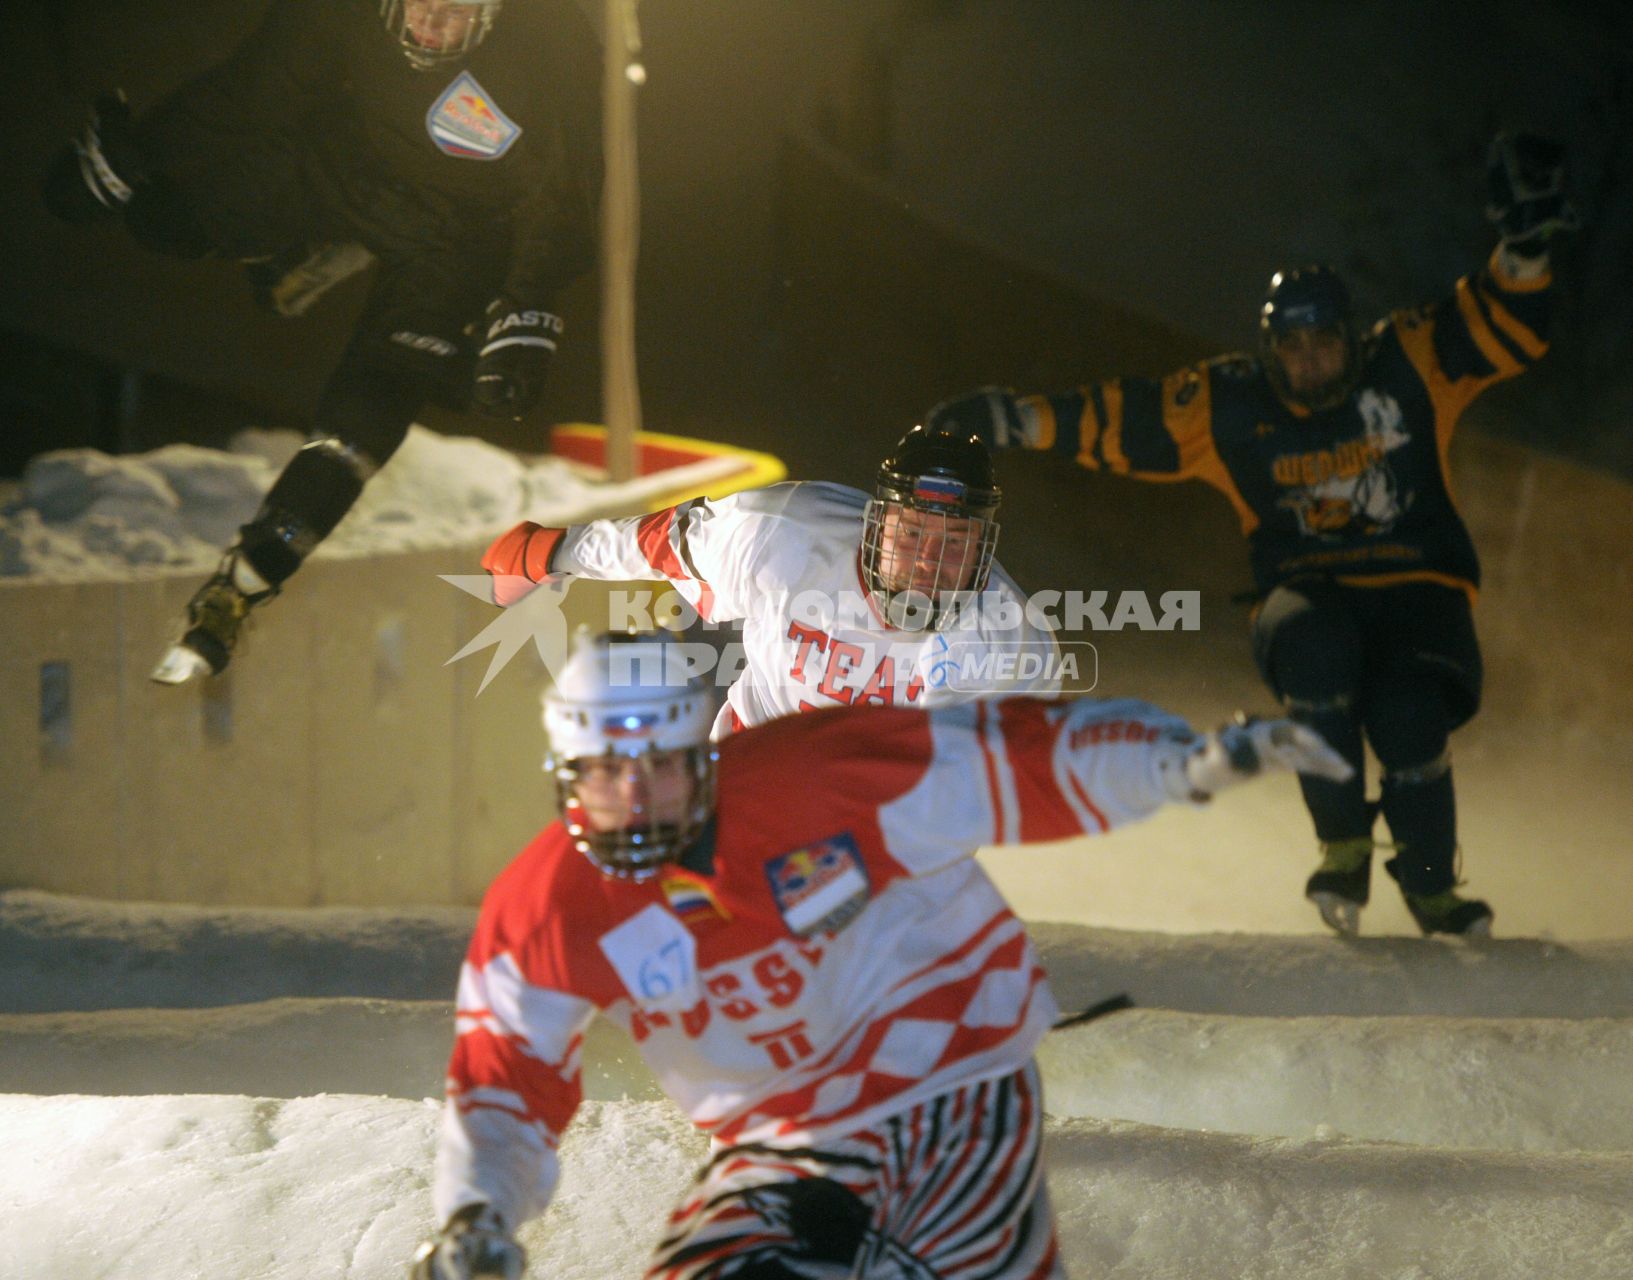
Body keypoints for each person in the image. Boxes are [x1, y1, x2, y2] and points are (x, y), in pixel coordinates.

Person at [409, 629, 1350, 1280]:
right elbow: (503, 1083)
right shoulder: (543, 909)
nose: (639, 798)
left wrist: (1181, 765)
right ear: (565, 778)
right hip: (782, 1136)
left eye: (661, 767)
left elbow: (1014, 759)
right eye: (607, 776)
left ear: (705, 756)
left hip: (958, 1087)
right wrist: (475, 1211)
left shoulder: (817, 777)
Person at [944, 133, 1578, 938]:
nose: (1310, 362)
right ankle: (1342, 846)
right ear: (1269, 348)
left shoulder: (1408, 363)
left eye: (1324, 343)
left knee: (1408, 714)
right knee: (1316, 651)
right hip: (1306, 593)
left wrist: (1522, 252)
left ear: (1352, 338)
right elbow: (1122, 418)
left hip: (1419, 589)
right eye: (1292, 346)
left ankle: (1430, 888)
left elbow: (1502, 329)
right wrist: (1011, 418)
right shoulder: (1232, 405)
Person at [42, 0, 603, 683]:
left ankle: (253, 572)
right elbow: (250, 90)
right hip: (344, 165)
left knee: (373, 408)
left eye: (454, 12)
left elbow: (566, 189)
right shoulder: (346, 11)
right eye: (419, 5)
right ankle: (306, 249)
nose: (429, 28)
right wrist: (129, 160)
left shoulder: (550, 40)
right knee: (164, 219)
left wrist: (528, 307)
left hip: (454, 235)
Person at [481, 401, 1064, 734]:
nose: (929, 561)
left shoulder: (1012, 640)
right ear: (877, 522)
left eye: (955, 540)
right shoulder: (782, 533)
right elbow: (660, 544)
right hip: (752, 777)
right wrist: (553, 552)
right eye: (913, 532)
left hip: (887, 826)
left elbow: (1006, 775)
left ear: (985, 547)